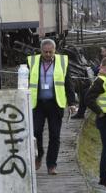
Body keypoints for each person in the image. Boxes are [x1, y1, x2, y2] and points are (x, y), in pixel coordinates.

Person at [28, 39, 77, 175]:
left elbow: (68, 83)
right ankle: (39, 155)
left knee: (55, 135)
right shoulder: (32, 61)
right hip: (37, 103)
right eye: (45, 52)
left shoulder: (62, 62)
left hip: (56, 104)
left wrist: (72, 103)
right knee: (36, 132)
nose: (48, 54)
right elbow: (25, 81)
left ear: (55, 50)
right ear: (41, 50)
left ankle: (52, 165)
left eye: (51, 52)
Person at [85, 56, 106, 187]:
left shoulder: (105, 80)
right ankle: (104, 178)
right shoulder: (100, 81)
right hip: (104, 119)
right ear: (102, 67)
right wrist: (100, 112)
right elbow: (88, 99)